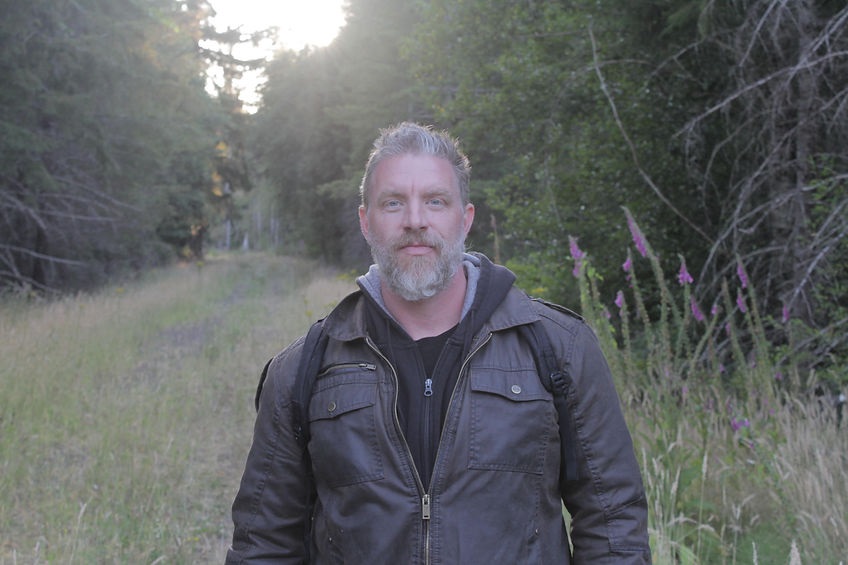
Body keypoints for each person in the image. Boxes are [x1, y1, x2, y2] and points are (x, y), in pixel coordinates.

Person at [226, 122, 651, 564]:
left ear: (464, 218)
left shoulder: (558, 348)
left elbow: (613, 522)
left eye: (435, 201)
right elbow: (264, 544)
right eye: (393, 203)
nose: (415, 220)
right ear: (366, 221)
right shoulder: (304, 368)